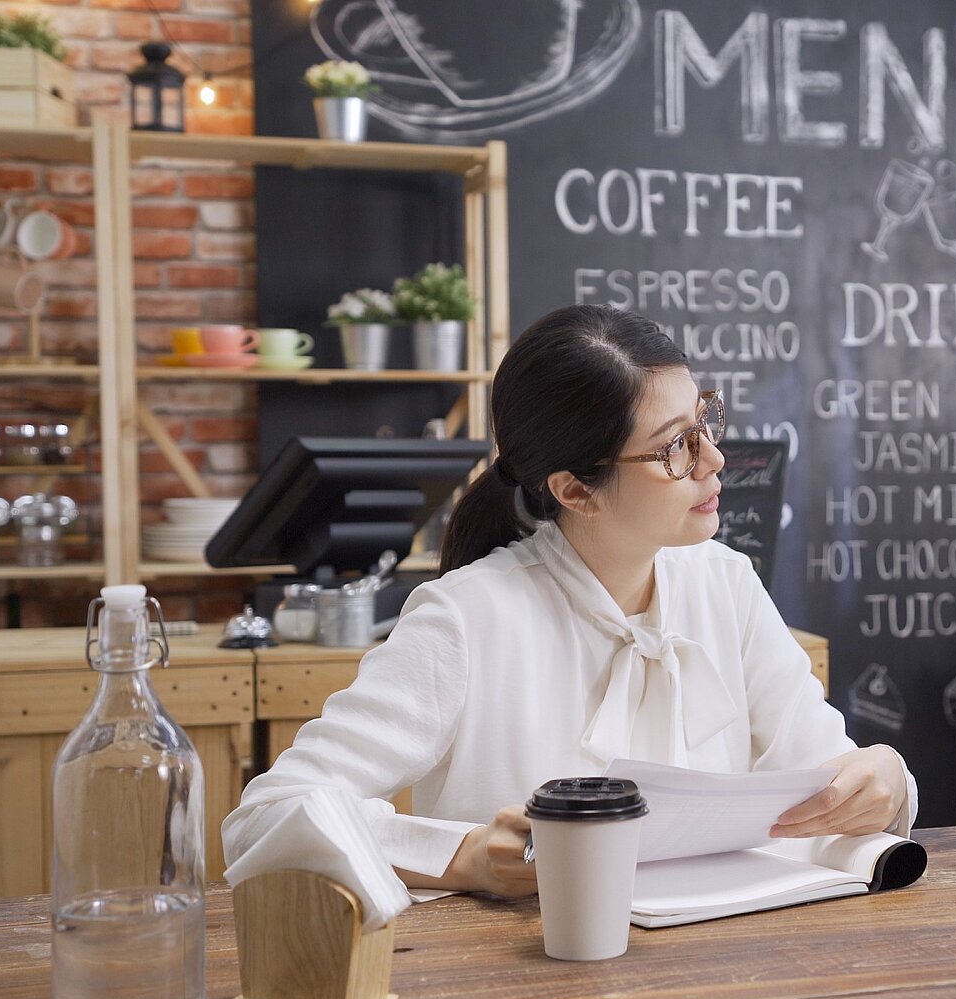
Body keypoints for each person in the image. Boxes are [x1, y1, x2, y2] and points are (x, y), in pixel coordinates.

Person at [223, 305, 915, 898]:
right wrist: (463, 857)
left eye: (704, 422)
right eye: (674, 448)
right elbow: (266, 817)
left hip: (717, 978)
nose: (713, 460)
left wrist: (883, 775)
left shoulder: (725, 583)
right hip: (521, 987)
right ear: (576, 490)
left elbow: (828, 774)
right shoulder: (464, 618)